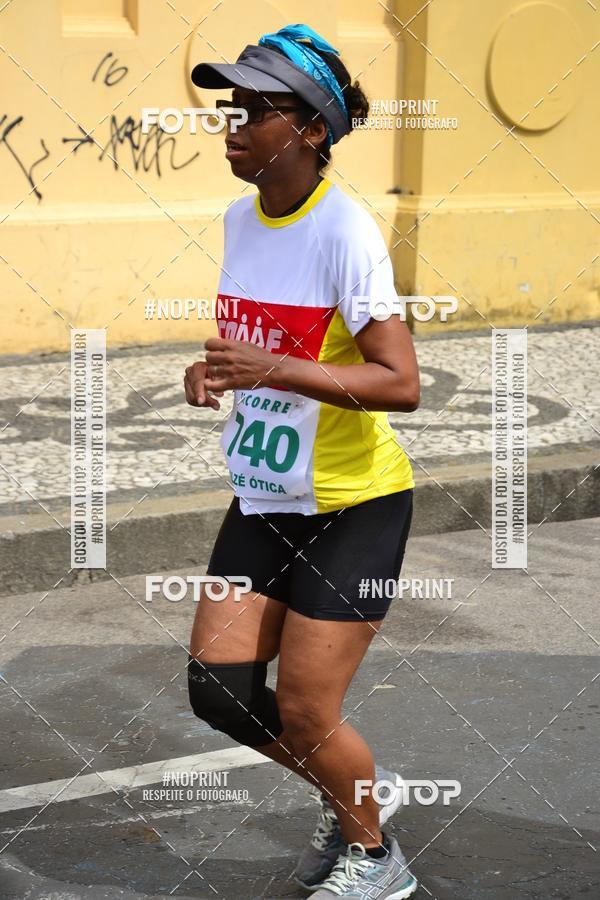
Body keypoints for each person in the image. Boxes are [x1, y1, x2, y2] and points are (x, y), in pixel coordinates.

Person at [185, 24, 420, 899]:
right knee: (219, 692)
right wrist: (212, 367)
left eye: (257, 112)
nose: (234, 127)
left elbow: (401, 383)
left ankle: (374, 856)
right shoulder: (240, 219)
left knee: (307, 707)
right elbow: (258, 343)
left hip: (353, 505)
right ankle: (354, 792)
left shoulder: (345, 232)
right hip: (262, 495)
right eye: (230, 109)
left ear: (311, 130)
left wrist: (273, 368)